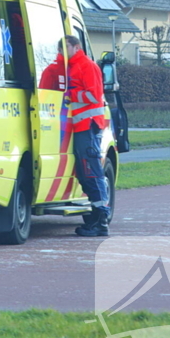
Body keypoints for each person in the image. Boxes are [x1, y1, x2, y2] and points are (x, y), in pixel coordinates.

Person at [63, 34, 112, 237]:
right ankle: (96, 217)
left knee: (92, 172)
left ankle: (101, 221)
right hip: (80, 126)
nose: (62, 51)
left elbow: (93, 95)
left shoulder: (87, 66)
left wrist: (70, 94)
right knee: (85, 174)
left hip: (88, 126)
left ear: (76, 47)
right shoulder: (72, 66)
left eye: (65, 47)